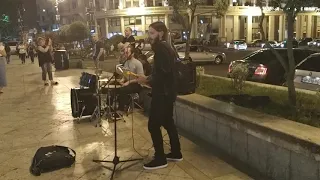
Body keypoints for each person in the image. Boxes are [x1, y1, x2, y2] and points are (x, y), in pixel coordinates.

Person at [137, 21, 182, 170]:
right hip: (168, 92)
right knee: (168, 122)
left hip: (163, 94)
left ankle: (161, 158)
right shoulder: (166, 46)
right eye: (149, 33)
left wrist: (147, 79)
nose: (149, 37)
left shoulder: (162, 47)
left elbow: (163, 73)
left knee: (153, 125)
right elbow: (164, 71)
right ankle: (176, 152)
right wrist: (150, 79)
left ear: (161, 33)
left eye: (152, 33)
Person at [117, 45, 144, 112]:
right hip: (128, 82)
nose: (125, 54)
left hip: (136, 84)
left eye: (127, 53)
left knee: (122, 90)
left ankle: (121, 109)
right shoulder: (126, 62)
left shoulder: (138, 63)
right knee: (114, 88)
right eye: (125, 52)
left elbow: (141, 78)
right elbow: (125, 74)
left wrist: (128, 82)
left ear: (132, 53)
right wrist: (122, 80)